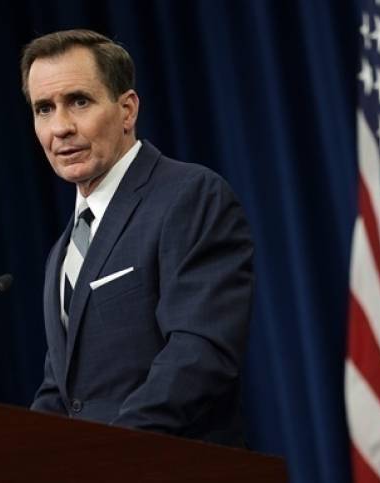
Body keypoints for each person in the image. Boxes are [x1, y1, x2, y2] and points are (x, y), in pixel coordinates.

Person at [21, 29, 254, 447]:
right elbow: (62, 391)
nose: (61, 127)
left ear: (127, 110)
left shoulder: (189, 196)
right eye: (44, 109)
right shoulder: (62, 251)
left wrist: (113, 451)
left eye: (79, 101)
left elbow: (199, 352)